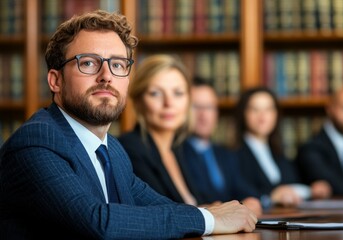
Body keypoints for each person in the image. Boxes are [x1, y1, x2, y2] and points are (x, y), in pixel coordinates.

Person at [0, 11, 256, 239]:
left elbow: (161, 208)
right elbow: (99, 222)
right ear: (55, 81)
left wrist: (219, 213)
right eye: (88, 62)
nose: (106, 76)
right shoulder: (36, 142)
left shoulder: (113, 151)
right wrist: (209, 219)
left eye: (118, 64)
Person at [118, 55, 261, 214]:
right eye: (156, 93)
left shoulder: (177, 150)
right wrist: (210, 212)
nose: (169, 103)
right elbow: (158, 214)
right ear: (138, 101)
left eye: (178, 93)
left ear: (187, 100)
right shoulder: (130, 148)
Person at [234, 87, 332, 207]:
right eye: (255, 109)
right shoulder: (233, 155)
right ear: (243, 114)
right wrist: (269, 197)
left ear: (276, 114)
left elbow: (291, 185)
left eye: (268, 109)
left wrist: (311, 190)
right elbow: (238, 194)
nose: (262, 116)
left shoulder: (278, 153)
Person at [184, 77, 263, 213]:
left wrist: (250, 201)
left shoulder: (225, 154)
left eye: (209, 107)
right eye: (196, 107)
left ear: (216, 113)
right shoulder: (176, 153)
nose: (203, 115)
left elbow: (247, 192)